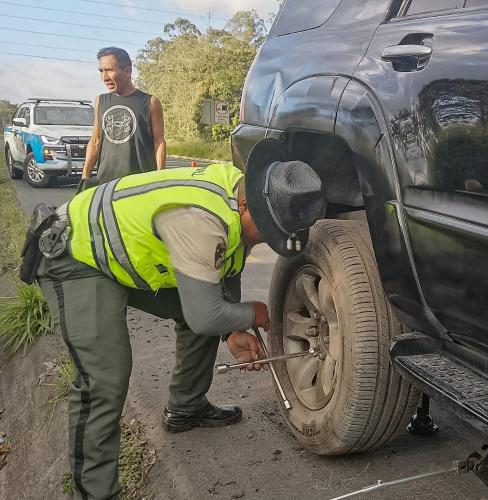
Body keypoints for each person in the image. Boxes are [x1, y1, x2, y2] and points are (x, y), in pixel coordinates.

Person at [34, 161, 323, 499]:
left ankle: (185, 407)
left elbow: (221, 274)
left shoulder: (241, 192)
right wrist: (249, 315)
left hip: (125, 255)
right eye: (268, 233)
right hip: (76, 255)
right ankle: (94, 493)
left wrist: (231, 330)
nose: (267, 243)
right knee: (104, 377)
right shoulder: (201, 219)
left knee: (209, 311)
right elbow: (204, 314)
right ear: (246, 206)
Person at [81, 47, 166, 186]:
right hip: (105, 184)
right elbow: (95, 140)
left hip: (140, 184)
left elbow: (159, 142)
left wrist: (159, 178)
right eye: (101, 71)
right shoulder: (100, 101)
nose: (104, 77)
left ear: (127, 71)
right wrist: (85, 176)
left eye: (109, 70)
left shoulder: (151, 102)